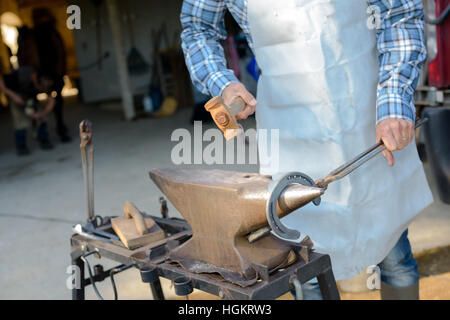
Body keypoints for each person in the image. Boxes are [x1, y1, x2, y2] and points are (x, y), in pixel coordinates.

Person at [180, 0, 433, 299]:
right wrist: (222, 83)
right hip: (292, 131)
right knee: (305, 270)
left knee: (394, 256)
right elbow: (198, 26)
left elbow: (400, 15)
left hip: (369, 119)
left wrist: (394, 102)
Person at [32, 7, 71, 143]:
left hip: (54, 73)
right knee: (36, 104)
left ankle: (60, 128)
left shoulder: (52, 33)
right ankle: (43, 134)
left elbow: (60, 52)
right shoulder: (35, 35)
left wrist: (60, 71)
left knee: (57, 102)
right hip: (41, 74)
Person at [0, 65, 55, 155]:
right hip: (16, 95)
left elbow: (51, 100)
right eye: (42, 87)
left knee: (41, 119)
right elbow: (2, 83)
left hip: (31, 96)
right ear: (34, 78)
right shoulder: (20, 75)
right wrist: (12, 95)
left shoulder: (45, 80)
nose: (43, 90)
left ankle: (44, 140)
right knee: (21, 122)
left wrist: (43, 113)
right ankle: (21, 147)